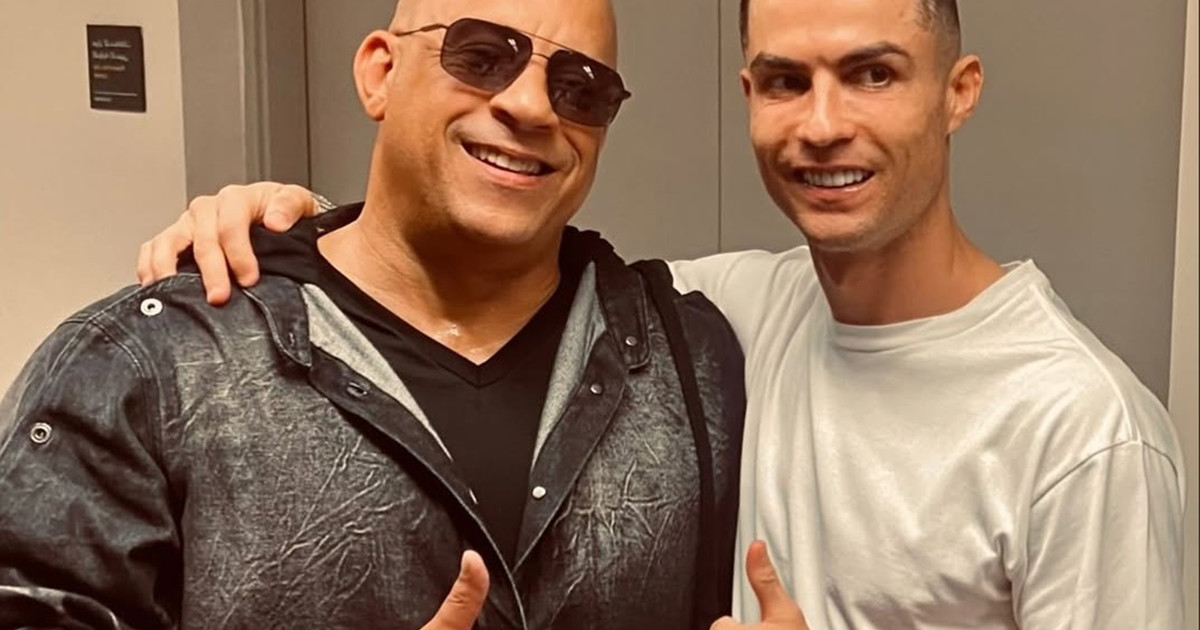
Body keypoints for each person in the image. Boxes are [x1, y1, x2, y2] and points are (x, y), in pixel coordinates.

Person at [146, 0, 1189, 628]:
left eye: (872, 74)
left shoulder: (1082, 431)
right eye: (786, 82)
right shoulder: (723, 315)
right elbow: (489, 253)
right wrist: (291, 226)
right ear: (749, 94)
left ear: (958, 91)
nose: (823, 124)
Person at [0, 0, 751, 628]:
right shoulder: (149, 365)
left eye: (580, 89)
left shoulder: (689, 359)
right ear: (380, 72)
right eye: (482, 55)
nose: (529, 106)